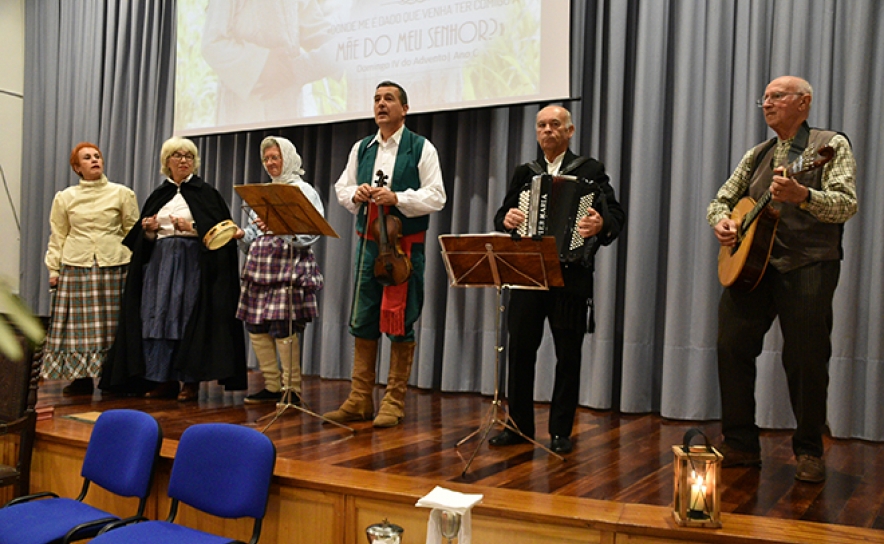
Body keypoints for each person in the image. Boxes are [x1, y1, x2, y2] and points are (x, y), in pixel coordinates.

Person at [708, 76, 857, 483]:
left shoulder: (830, 146)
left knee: (806, 358)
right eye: (765, 98)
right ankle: (739, 443)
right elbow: (722, 199)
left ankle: (809, 450)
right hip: (751, 268)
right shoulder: (757, 154)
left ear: (803, 102)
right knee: (730, 346)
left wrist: (804, 196)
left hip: (807, 264)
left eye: (777, 97)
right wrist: (722, 221)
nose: (767, 104)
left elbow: (846, 204)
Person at [490, 105, 625, 454]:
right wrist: (508, 218)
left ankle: (561, 431)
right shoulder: (525, 173)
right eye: (542, 125)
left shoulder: (590, 169)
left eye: (555, 125)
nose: (547, 130)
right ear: (536, 133)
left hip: (570, 275)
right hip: (527, 274)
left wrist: (600, 223)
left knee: (568, 354)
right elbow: (502, 215)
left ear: (570, 131)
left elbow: (615, 215)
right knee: (519, 352)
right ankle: (517, 427)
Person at [324, 81, 446, 428]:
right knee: (363, 318)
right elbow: (342, 189)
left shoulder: (421, 147)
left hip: (405, 249)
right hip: (368, 244)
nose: (381, 104)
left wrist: (398, 199)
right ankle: (360, 398)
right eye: (376, 98)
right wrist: (357, 194)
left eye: (388, 98)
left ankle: (393, 400)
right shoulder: (362, 147)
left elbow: (437, 196)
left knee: (401, 319)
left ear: (404, 108)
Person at [100, 137, 248, 401]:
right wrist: (147, 230)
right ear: (166, 161)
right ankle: (161, 379)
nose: (183, 160)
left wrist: (191, 229)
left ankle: (189, 382)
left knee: (186, 317)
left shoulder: (206, 193)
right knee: (158, 318)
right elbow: (139, 242)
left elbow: (223, 233)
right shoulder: (159, 195)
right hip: (159, 263)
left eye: (189, 156)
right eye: (177, 155)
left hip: (194, 263)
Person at [42, 142, 139, 395]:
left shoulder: (122, 193)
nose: (95, 160)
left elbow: (132, 231)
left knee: (113, 324)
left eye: (97, 156)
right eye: (87, 158)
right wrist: (54, 269)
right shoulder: (65, 197)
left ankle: (113, 375)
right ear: (77, 167)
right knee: (80, 327)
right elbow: (58, 235)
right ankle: (81, 376)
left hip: (114, 264)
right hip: (78, 264)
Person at [237, 136, 325, 404]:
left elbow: (313, 231)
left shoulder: (304, 191)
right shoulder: (262, 191)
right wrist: (242, 233)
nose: (270, 163)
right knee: (255, 326)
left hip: (288, 266)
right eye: (266, 159)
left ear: (288, 157)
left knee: (283, 327)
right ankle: (272, 386)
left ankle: (291, 389)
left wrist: (281, 229)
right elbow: (254, 231)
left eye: (275, 157)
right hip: (259, 268)